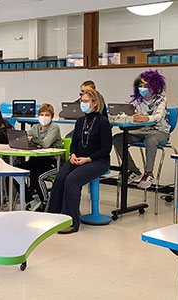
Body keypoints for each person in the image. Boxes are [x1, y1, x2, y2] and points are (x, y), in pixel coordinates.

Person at [47, 89, 111, 234]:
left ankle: (70, 221)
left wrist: (88, 159)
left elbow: (106, 148)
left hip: (97, 161)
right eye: (82, 101)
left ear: (95, 103)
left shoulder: (103, 122)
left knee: (72, 180)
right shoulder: (80, 121)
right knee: (61, 177)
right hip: (78, 158)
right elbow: (74, 142)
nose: (83, 104)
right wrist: (73, 154)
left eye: (86, 101)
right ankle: (53, 217)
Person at [112, 70, 170, 189]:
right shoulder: (136, 101)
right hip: (141, 131)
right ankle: (133, 170)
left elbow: (158, 117)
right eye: (140, 86)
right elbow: (129, 115)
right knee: (118, 138)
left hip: (159, 132)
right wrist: (127, 117)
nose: (142, 88)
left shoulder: (161, 99)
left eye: (146, 86)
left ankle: (148, 173)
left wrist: (144, 118)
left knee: (150, 139)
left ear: (155, 86)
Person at [15, 104, 62, 206]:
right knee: (15, 172)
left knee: (37, 177)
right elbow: (23, 137)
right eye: (42, 114)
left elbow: (45, 144)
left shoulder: (54, 128)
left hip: (52, 162)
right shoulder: (36, 127)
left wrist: (33, 139)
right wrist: (35, 142)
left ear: (52, 117)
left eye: (47, 115)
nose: (44, 117)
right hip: (36, 160)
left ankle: (45, 202)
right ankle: (30, 201)